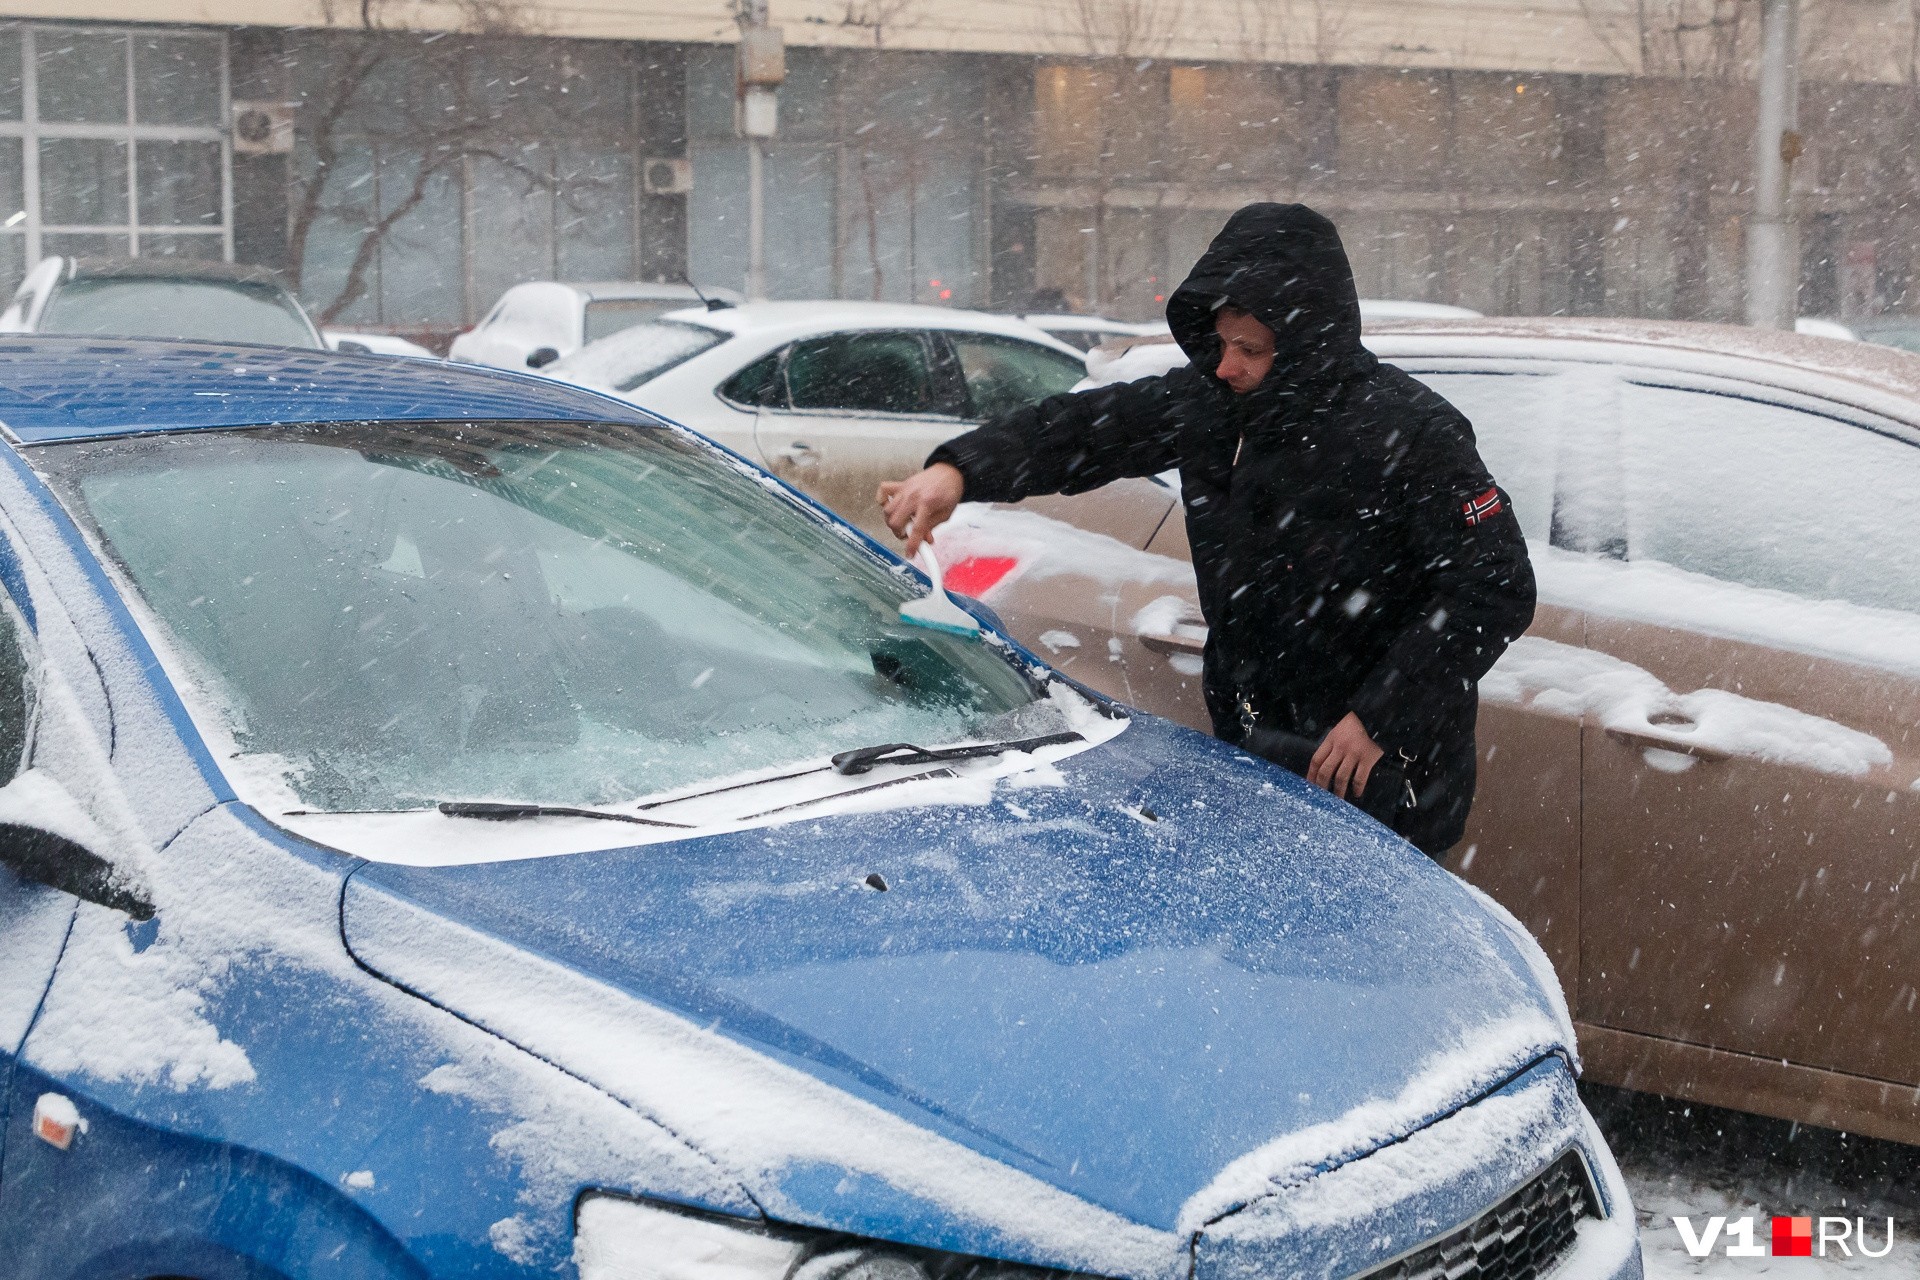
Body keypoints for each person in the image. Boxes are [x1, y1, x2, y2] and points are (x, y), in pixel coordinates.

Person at [877, 203, 1534, 858]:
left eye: (1249, 348)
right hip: (1256, 750)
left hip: (1381, 778)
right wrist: (957, 472)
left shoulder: (1413, 432)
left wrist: (1381, 716)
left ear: (1308, 344)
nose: (1227, 365)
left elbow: (1495, 587)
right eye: (1221, 343)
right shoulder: (1216, 406)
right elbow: (1081, 431)